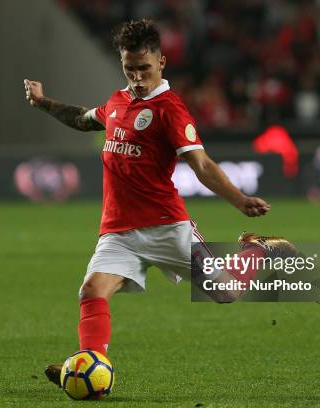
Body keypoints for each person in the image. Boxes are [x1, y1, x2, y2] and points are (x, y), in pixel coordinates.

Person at [23, 19, 295, 387]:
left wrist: (239, 199)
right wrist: (43, 103)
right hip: (118, 231)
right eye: (129, 68)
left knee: (226, 292)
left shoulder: (170, 109)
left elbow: (201, 164)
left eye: (144, 69)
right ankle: (90, 366)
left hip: (167, 226)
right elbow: (83, 120)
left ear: (161, 63)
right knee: (91, 291)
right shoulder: (118, 102)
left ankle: (258, 248)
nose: (137, 77)